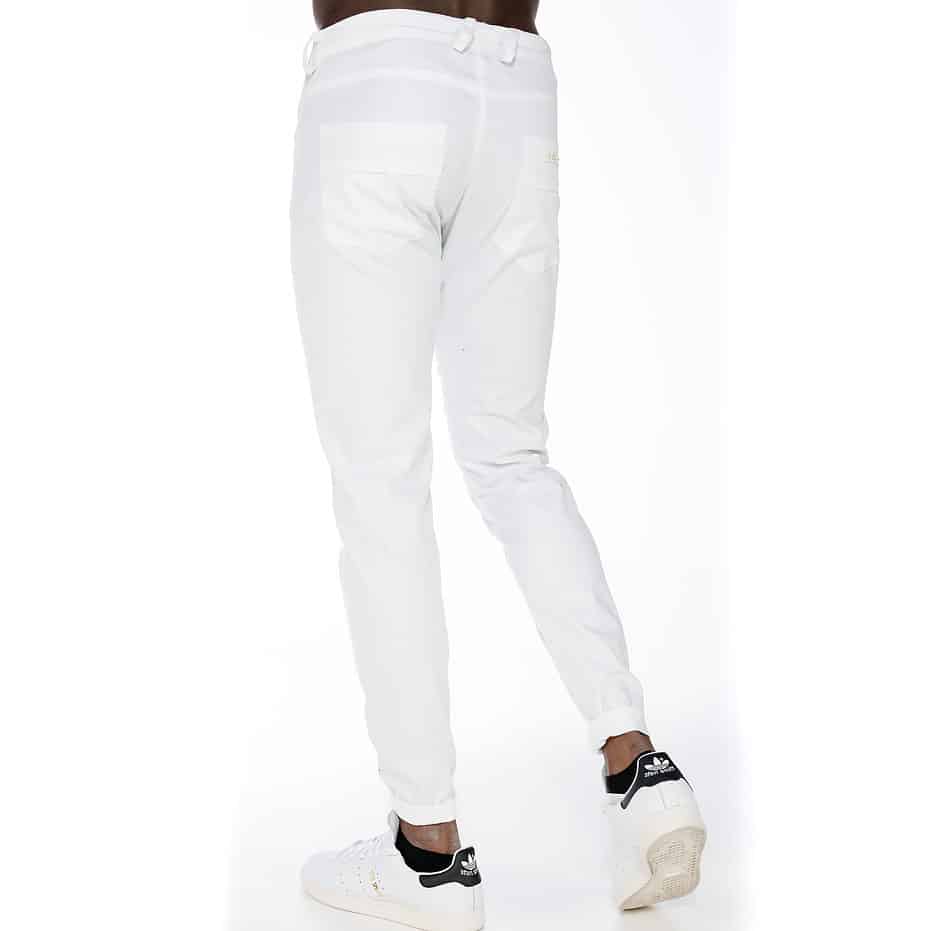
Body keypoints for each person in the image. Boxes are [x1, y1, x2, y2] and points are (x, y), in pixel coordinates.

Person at [290, 2, 706, 927]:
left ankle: (427, 854)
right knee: (513, 455)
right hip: (516, 86)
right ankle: (640, 769)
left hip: (377, 77)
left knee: (381, 481)